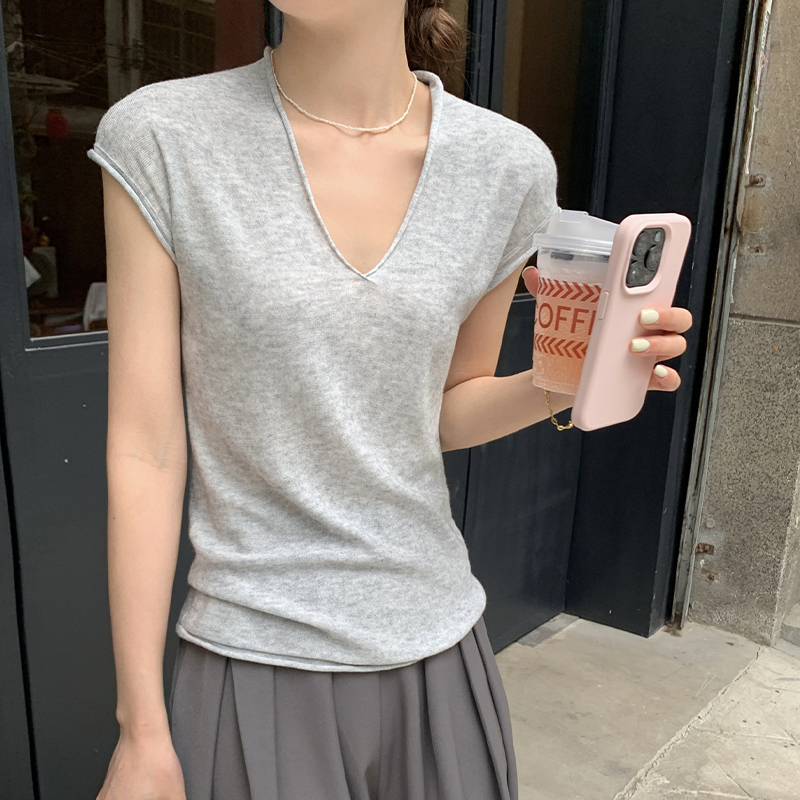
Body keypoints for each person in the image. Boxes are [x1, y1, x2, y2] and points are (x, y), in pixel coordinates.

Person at [90, 1, 693, 798]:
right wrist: (141, 731)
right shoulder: (166, 137)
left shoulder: (505, 167)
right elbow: (147, 447)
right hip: (255, 655)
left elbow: (446, 407)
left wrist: (569, 380)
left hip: (441, 652)